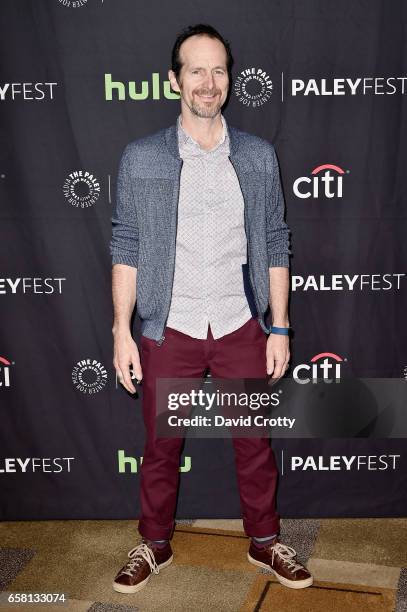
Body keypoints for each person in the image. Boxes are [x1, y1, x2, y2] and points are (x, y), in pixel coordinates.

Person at [109, 23, 313, 593]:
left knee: (254, 445)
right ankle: (154, 543)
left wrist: (279, 326)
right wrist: (123, 332)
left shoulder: (257, 157)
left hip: (237, 322)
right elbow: (125, 243)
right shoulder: (141, 158)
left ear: (230, 78)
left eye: (219, 69)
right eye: (196, 70)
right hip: (167, 327)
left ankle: (265, 541)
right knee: (160, 447)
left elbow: (275, 239)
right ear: (174, 80)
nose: (208, 82)